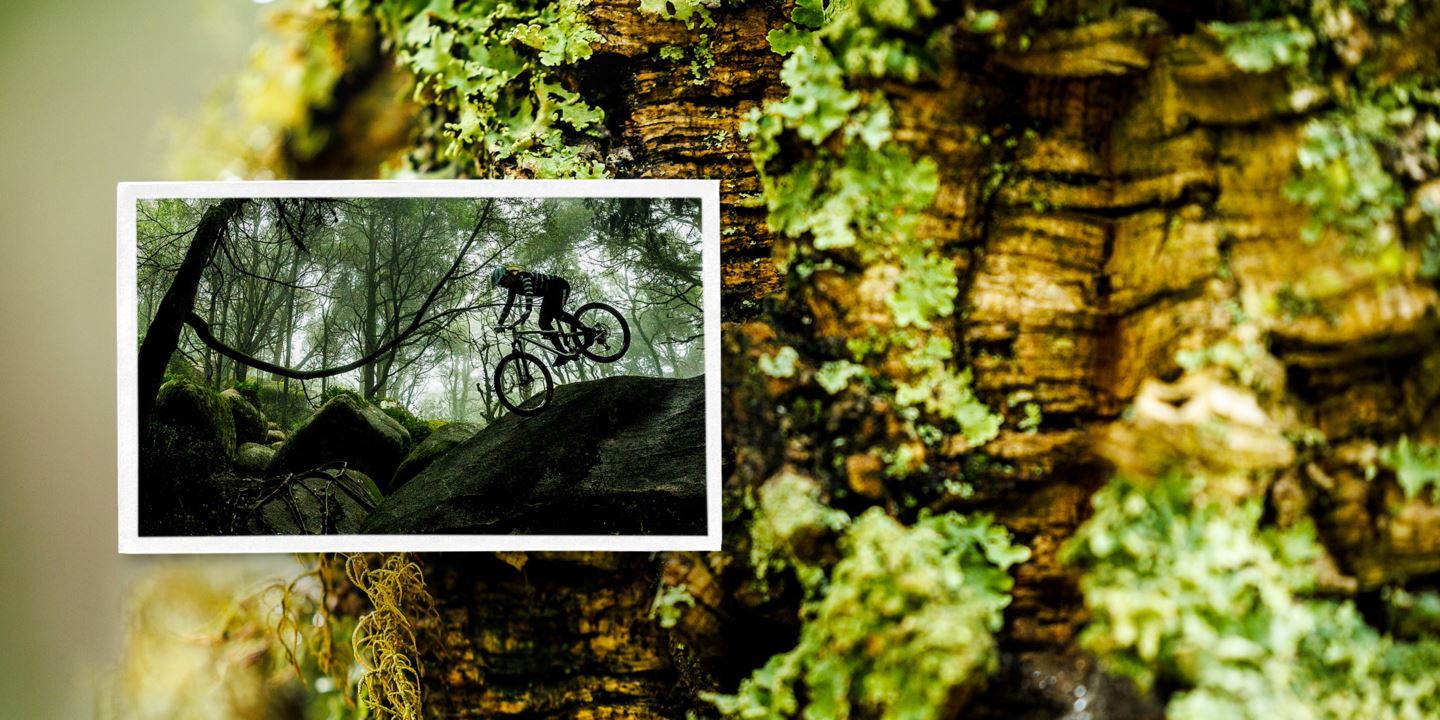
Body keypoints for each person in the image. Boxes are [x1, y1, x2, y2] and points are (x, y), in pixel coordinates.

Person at [490, 265, 584, 367]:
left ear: (508, 275)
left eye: (503, 281)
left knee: (557, 312)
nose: (504, 285)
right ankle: (562, 352)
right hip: (549, 294)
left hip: (559, 286)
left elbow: (528, 290)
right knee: (543, 323)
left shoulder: (523, 277)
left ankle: (586, 329)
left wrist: (528, 309)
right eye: (501, 285)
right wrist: (500, 323)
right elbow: (508, 306)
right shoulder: (512, 288)